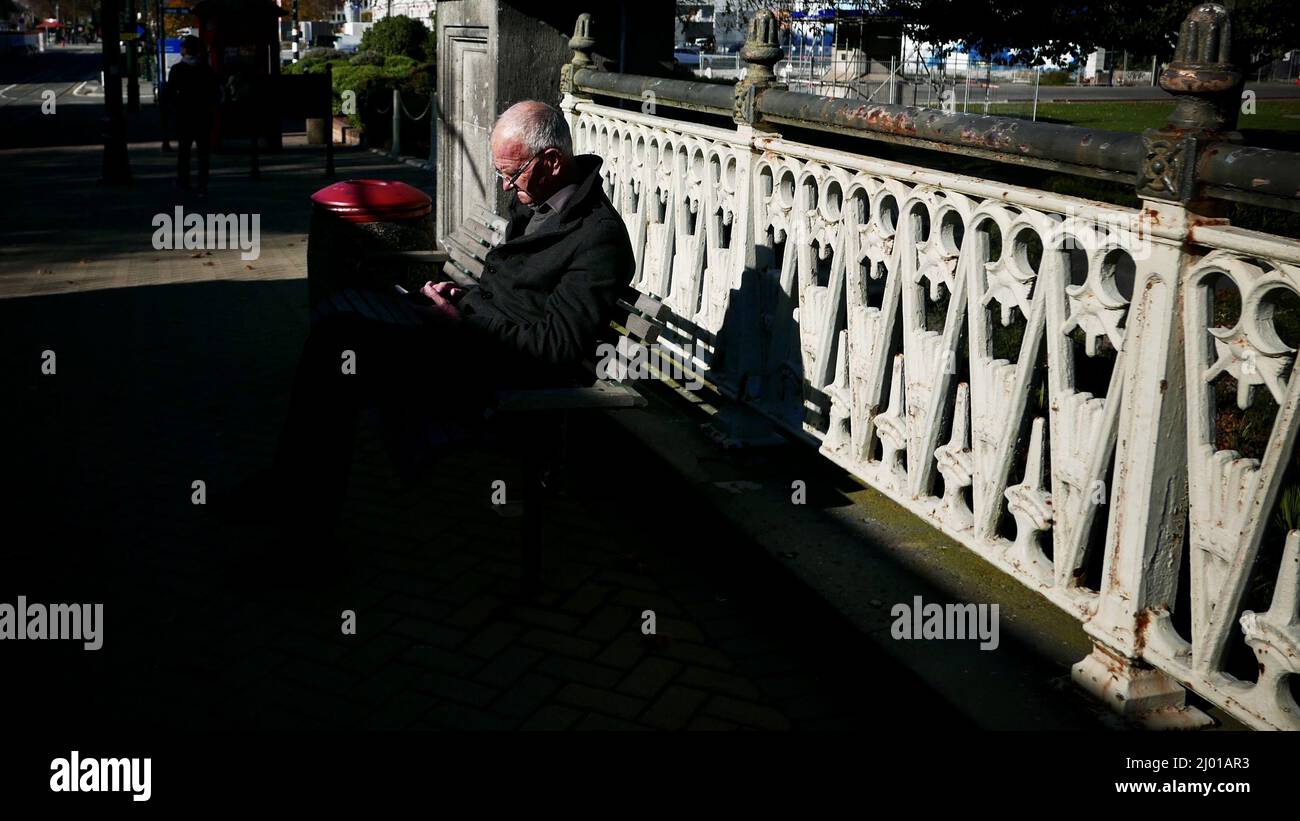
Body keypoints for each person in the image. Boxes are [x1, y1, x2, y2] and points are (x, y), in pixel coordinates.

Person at [230, 100, 636, 551]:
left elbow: (553, 348)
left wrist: (464, 318)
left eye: (512, 174)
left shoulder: (597, 238)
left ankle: (301, 532)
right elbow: (507, 295)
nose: (504, 185)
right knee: (336, 334)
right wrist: (460, 299)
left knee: (340, 355)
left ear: (553, 161)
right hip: (467, 346)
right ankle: (290, 492)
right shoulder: (539, 199)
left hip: (500, 378)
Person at [162, 36, 220, 194]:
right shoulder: (206, 70)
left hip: (184, 115)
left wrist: (172, 105)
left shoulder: (177, 69)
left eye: (183, 47)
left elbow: (169, 93)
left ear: (186, 50)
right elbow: (215, 92)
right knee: (203, 154)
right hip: (203, 115)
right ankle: (203, 183)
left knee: (184, 152)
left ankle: (183, 181)